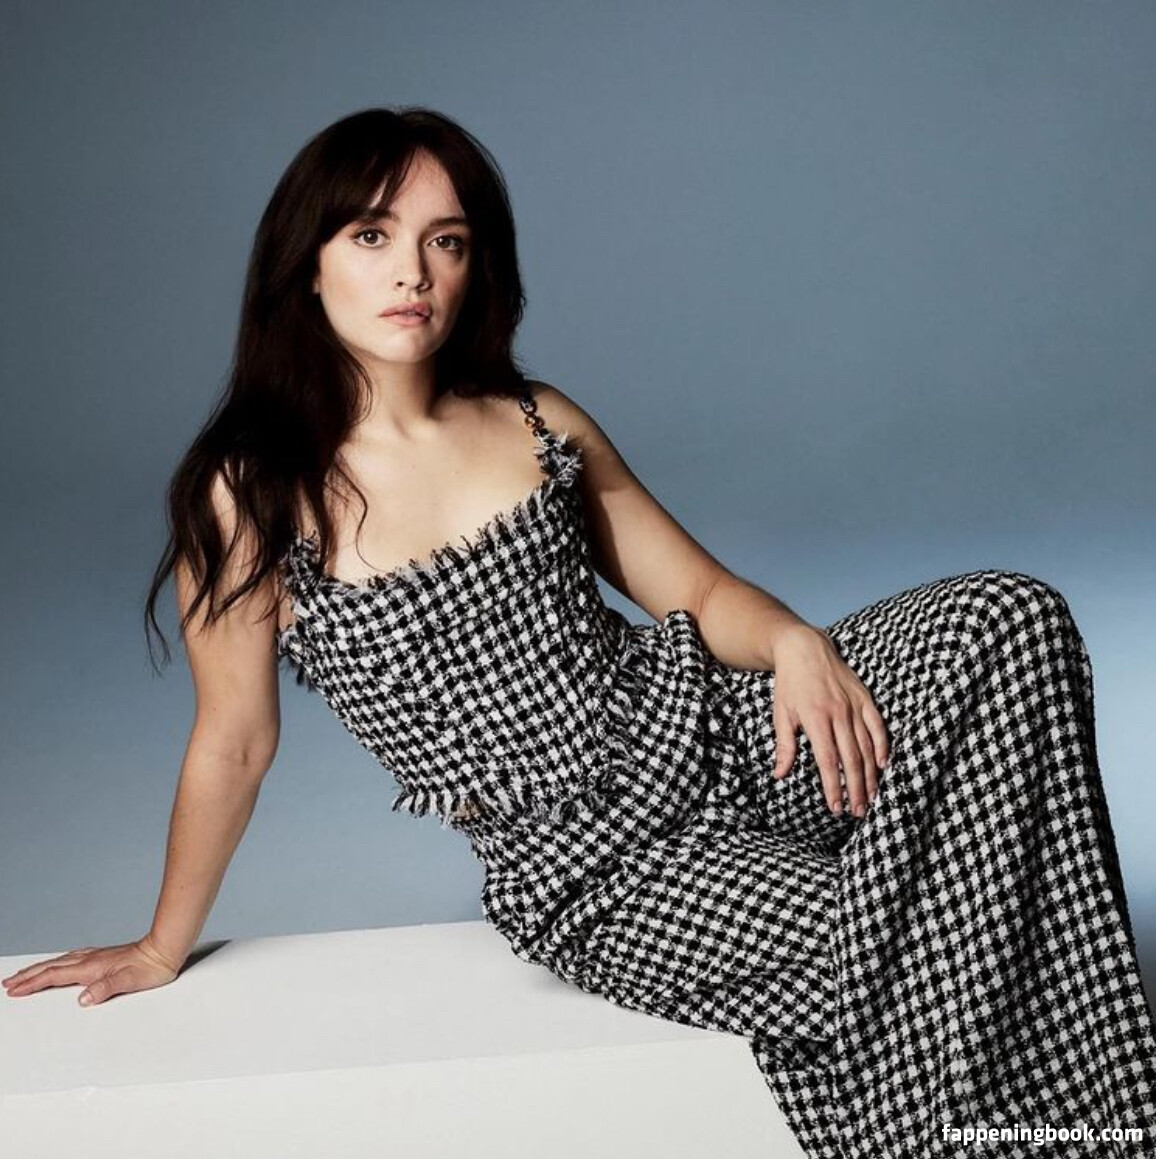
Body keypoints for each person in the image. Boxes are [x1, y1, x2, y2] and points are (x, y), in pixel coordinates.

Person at [4, 106, 1154, 1158]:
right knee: (883, 946)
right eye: (371, 236)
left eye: (446, 242)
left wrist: (796, 640)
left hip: (733, 735)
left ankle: (1065, 1092)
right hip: (605, 870)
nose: (411, 272)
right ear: (306, 262)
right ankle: (1052, 1135)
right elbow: (235, 741)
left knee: (1008, 618)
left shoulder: (534, 419)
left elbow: (696, 591)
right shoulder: (251, 494)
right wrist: (162, 942)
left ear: (476, 265)